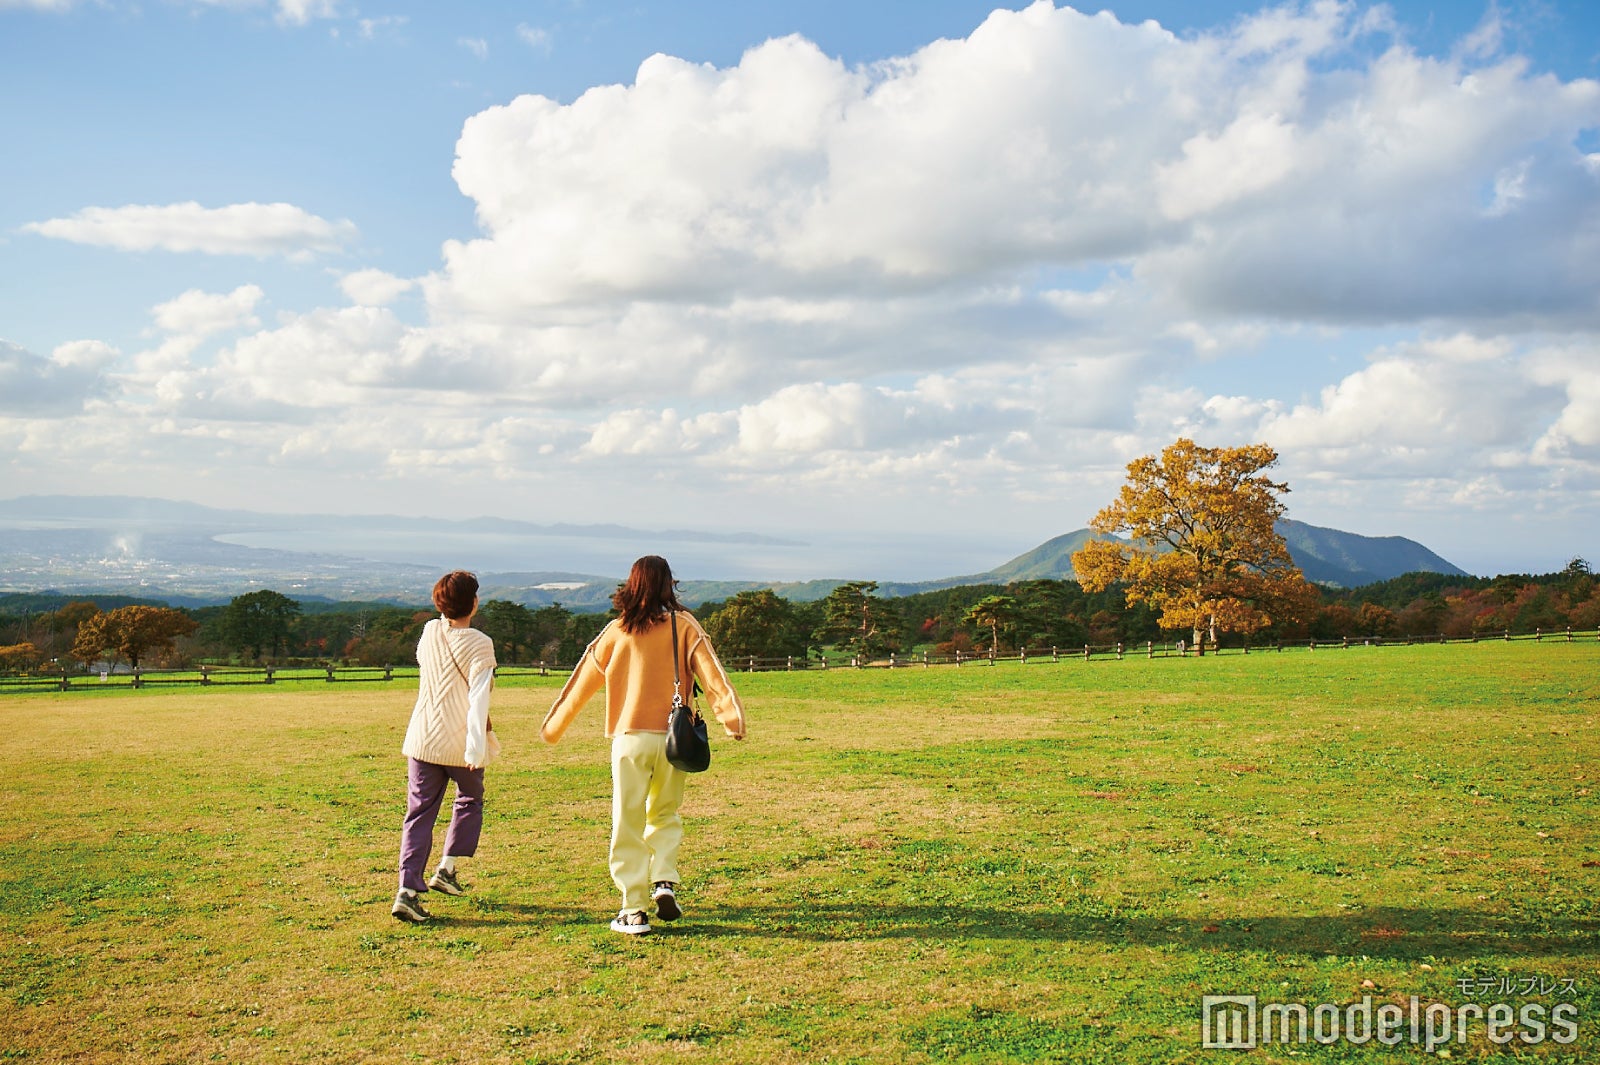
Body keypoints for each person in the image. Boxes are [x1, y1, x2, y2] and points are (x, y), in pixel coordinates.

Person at [541, 555, 746, 935]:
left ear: (631, 585)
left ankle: (633, 909)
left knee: (627, 820)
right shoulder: (683, 626)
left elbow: (580, 684)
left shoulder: (616, 631)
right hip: (673, 738)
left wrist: (553, 728)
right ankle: (664, 880)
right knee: (665, 813)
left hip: (629, 739)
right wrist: (732, 718)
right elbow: (713, 675)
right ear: (669, 584)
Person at [392, 570, 499, 923]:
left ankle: (406, 891)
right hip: (458, 741)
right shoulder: (481, 643)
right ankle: (447, 868)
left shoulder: (429, 631)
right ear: (473, 603)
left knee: (418, 814)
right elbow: (478, 699)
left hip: (422, 739)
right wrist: (474, 748)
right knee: (470, 799)